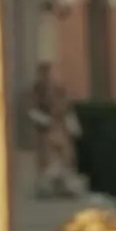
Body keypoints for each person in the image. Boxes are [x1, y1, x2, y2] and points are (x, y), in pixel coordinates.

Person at [27, 62, 84, 197]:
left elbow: (67, 110)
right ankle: (49, 186)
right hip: (47, 130)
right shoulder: (37, 91)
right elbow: (32, 110)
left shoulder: (59, 90)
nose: (49, 77)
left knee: (66, 157)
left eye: (51, 73)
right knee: (49, 159)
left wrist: (72, 126)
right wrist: (45, 120)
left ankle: (65, 185)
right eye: (45, 73)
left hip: (60, 128)